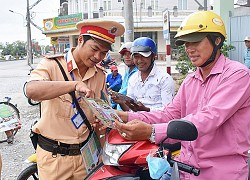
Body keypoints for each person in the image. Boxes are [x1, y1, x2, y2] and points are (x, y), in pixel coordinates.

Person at [112, 11, 250, 179]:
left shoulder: (237, 75)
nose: (189, 49)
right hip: (185, 169)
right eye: (186, 43)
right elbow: (169, 114)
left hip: (220, 173)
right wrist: (123, 116)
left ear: (217, 40)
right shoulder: (191, 80)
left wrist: (151, 131)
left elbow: (208, 118)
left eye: (196, 42)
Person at [26, 19, 124, 179]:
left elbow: (102, 114)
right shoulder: (53, 65)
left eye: (104, 53)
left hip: (86, 158)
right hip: (54, 159)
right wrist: (74, 85)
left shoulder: (99, 75)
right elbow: (31, 90)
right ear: (80, 40)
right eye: (95, 49)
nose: (98, 57)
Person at [111, 37, 175, 112]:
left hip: (156, 123)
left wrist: (146, 110)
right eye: (136, 57)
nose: (139, 61)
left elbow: (169, 111)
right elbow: (129, 108)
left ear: (153, 56)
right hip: (135, 121)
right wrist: (121, 102)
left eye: (144, 56)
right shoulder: (133, 78)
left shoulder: (164, 79)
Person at [115, 42, 138, 110]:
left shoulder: (137, 73)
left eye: (130, 54)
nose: (127, 57)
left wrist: (112, 96)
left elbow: (124, 92)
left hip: (130, 110)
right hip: (121, 108)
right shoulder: (127, 72)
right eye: (125, 54)